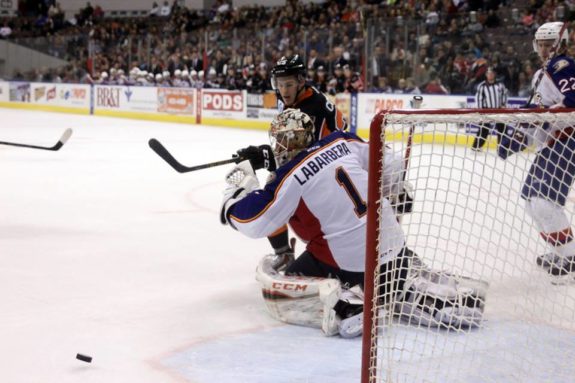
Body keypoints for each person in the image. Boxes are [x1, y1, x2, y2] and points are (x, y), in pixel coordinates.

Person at [220, 109, 485, 337]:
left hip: (350, 263)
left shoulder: (290, 178)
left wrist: (237, 185)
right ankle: (419, 293)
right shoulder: (341, 140)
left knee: (290, 282)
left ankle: (346, 306)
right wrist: (395, 190)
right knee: (391, 263)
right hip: (394, 246)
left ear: (279, 143)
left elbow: (255, 220)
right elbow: (391, 164)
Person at [236, 54, 348, 280]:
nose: (283, 90)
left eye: (288, 84)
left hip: (332, 170)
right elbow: (292, 148)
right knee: (275, 181)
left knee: (273, 192)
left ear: (301, 82)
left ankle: (303, 254)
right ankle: (284, 253)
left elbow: (309, 158)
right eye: (279, 84)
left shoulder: (312, 108)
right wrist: (264, 155)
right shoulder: (293, 100)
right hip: (323, 165)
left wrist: (267, 158)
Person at [498, 21, 575, 277]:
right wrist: (518, 139)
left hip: (568, 138)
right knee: (533, 203)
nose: (544, 49)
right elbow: (539, 116)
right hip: (552, 142)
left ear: (560, 44)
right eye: (541, 44)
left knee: (543, 203)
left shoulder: (562, 66)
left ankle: (571, 258)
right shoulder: (541, 74)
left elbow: (572, 101)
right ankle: (562, 252)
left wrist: (540, 116)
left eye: (549, 44)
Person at [471, 67, 508, 151]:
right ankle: (476, 146)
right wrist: (480, 110)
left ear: (494, 74)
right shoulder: (482, 86)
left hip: (499, 110)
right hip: (486, 111)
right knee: (484, 130)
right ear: (486, 75)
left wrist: (503, 104)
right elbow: (479, 98)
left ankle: (502, 147)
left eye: (492, 73)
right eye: (488, 73)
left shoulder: (500, 85)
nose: (490, 75)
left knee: (502, 129)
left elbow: (504, 94)